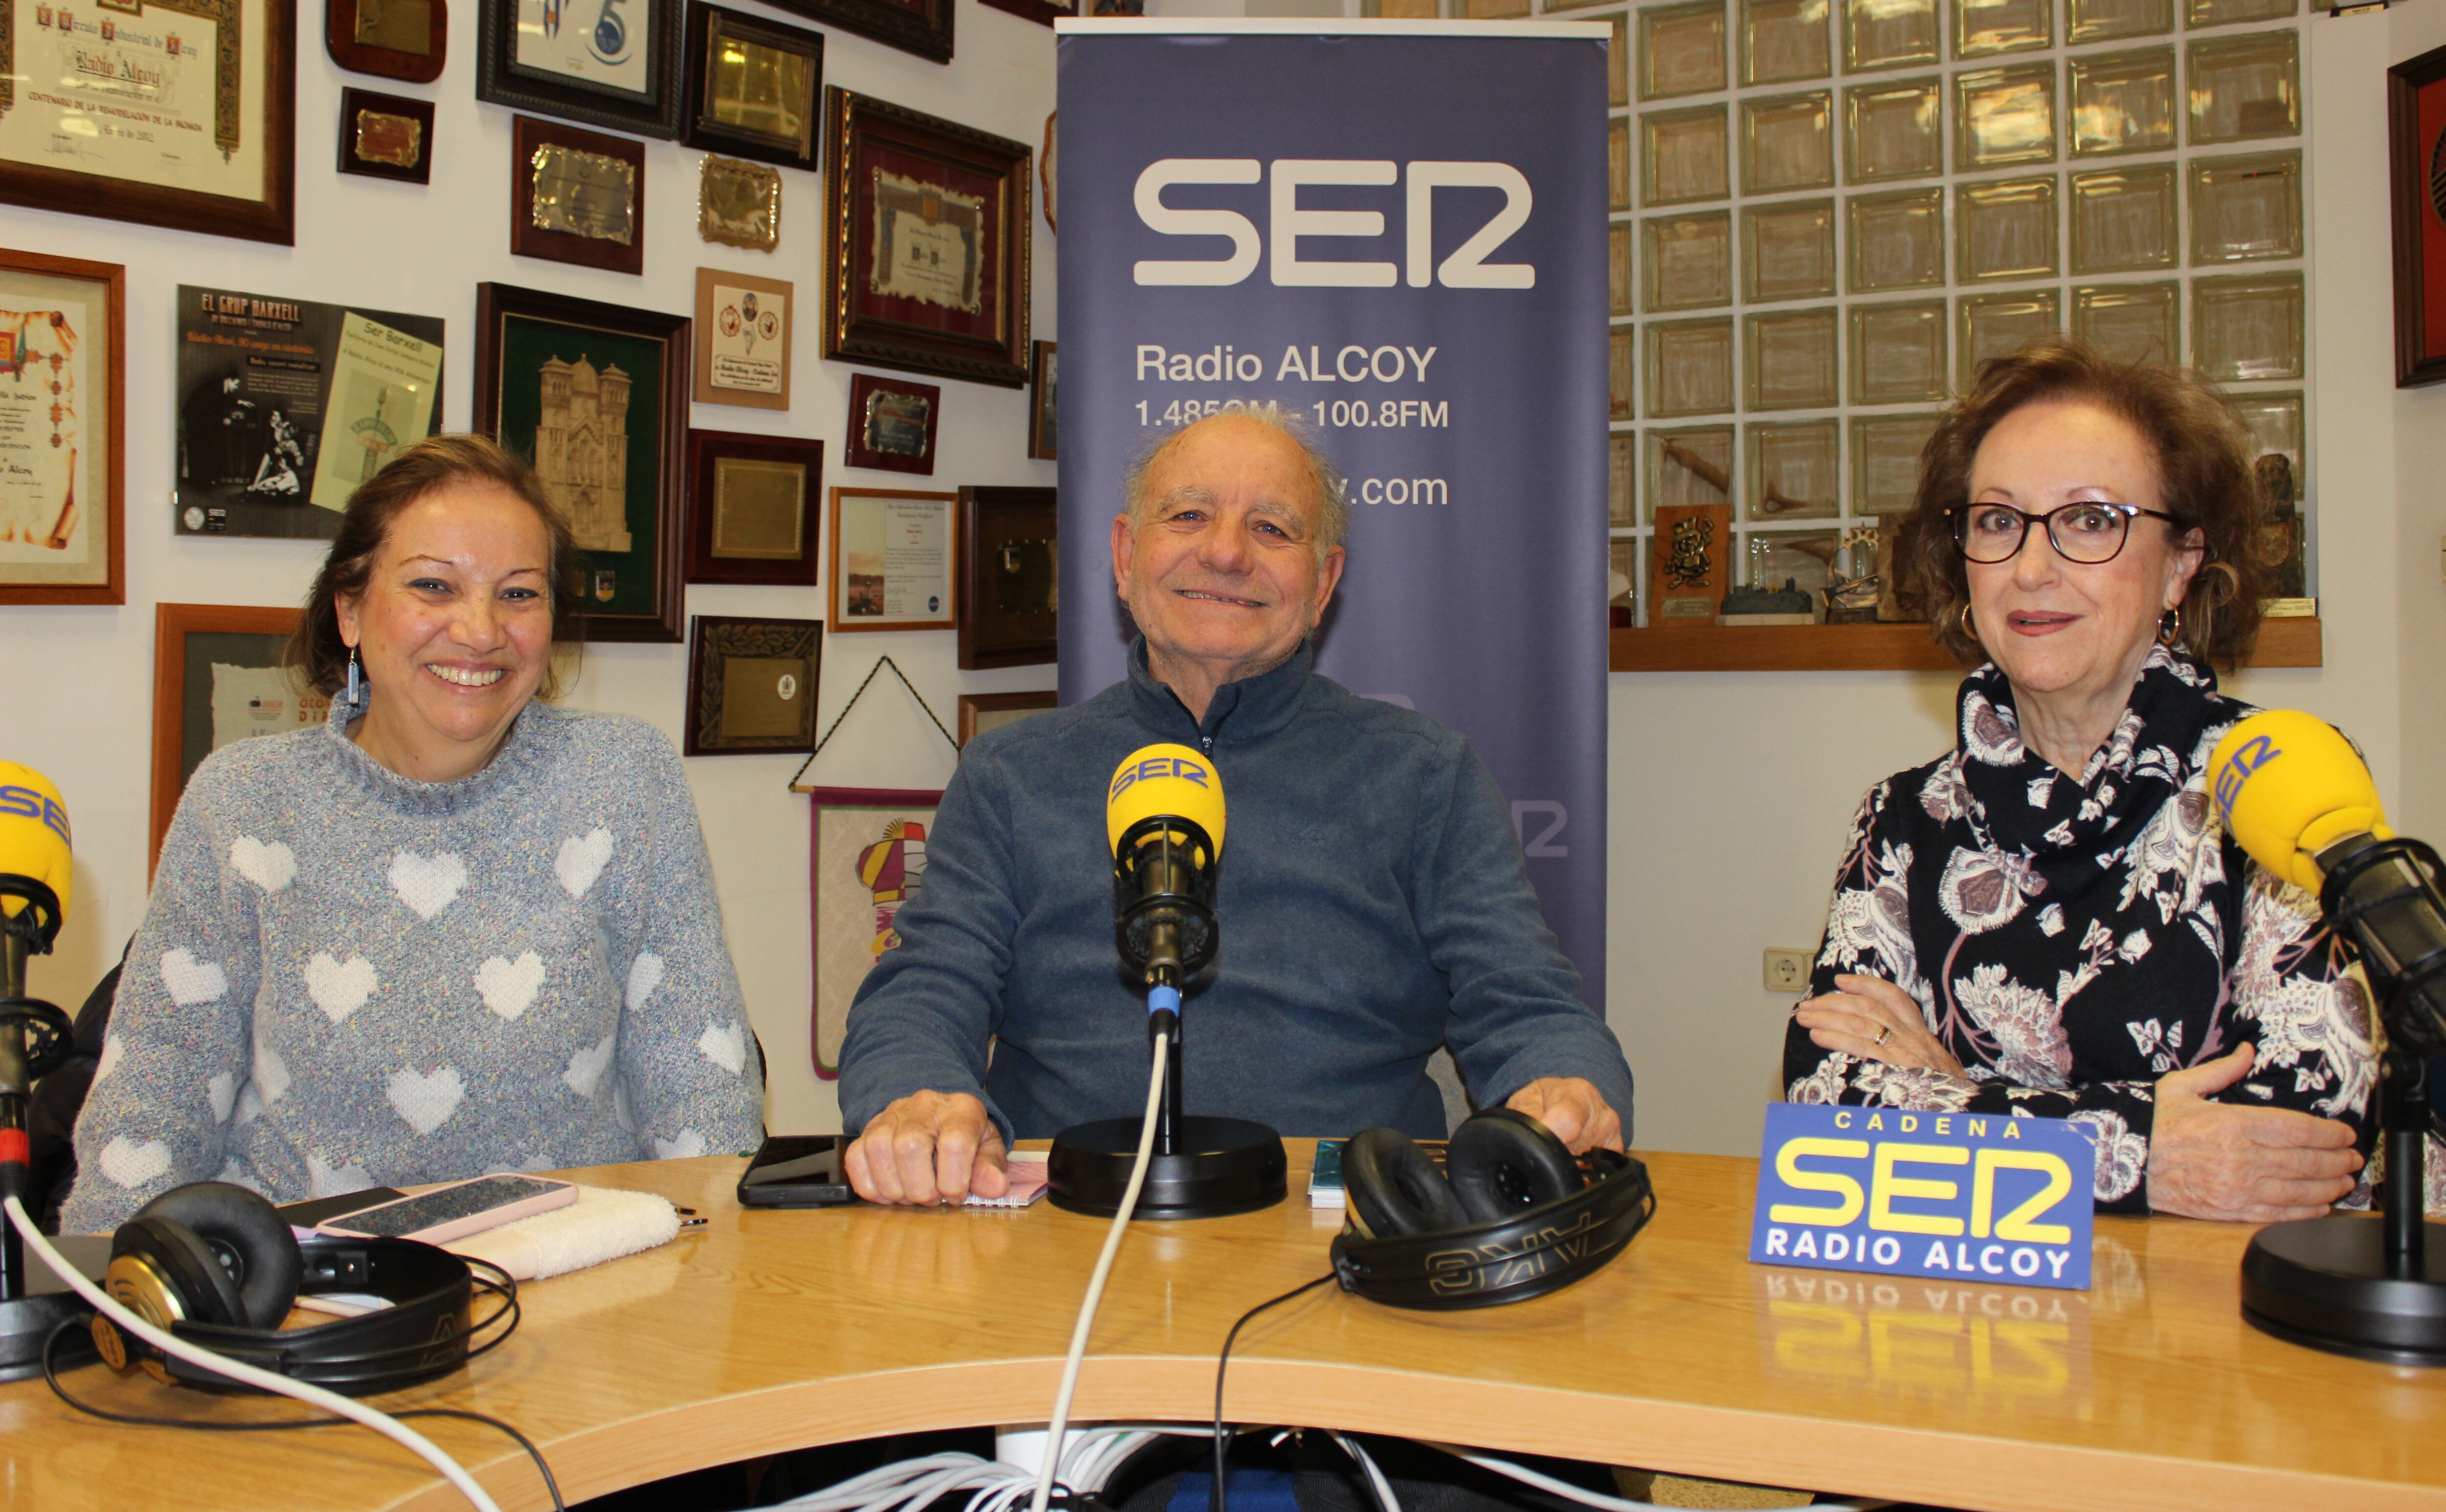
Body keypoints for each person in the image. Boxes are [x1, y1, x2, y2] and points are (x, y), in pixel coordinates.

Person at [839, 409, 1633, 1204]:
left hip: (1338, 1237)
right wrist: (919, 1092)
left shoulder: (1425, 775)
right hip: (1067, 1226)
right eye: (1187, 515)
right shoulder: (1009, 774)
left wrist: (1562, 1087)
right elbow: (922, 991)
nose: (1224, 552)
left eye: (1272, 528)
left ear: (1323, 584)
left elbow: (1530, 1004)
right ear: (1124, 555)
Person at [63, 436, 763, 1232]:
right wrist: (103, 1308)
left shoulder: (627, 783)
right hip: (308, 1308)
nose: (480, 630)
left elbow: (705, 1103)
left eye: (519, 594)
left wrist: (721, 1290)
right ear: (351, 608)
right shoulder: (243, 802)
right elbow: (149, 1113)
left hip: (578, 1289)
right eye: (434, 585)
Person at [1782, 339, 2390, 1221]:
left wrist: (1957, 1096)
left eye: (2092, 519)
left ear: (2183, 561)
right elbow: (1828, 1112)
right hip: (1980, 1327)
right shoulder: (1904, 819)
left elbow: (2306, 1137)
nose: (2032, 567)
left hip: (2230, 1328)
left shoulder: (2277, 783)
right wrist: (2141, 1149)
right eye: (1997, 521)